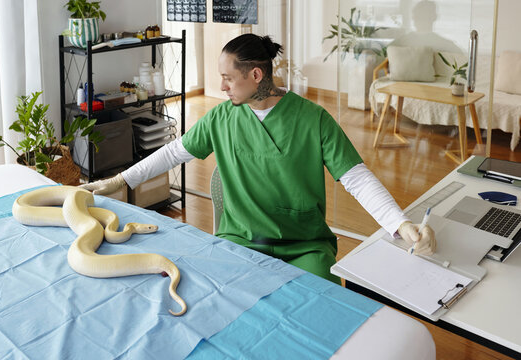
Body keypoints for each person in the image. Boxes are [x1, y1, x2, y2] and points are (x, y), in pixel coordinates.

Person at [81, 34, 436, 284]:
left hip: (305, 246)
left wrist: (400, 224)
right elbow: (174, 152)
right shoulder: (222, 118)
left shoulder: (313, 119)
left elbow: (356, 177)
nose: (222, 87)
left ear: (256, 75)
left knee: (319, 310)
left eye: (227, 79)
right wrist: (121, 180)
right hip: (240, 241)